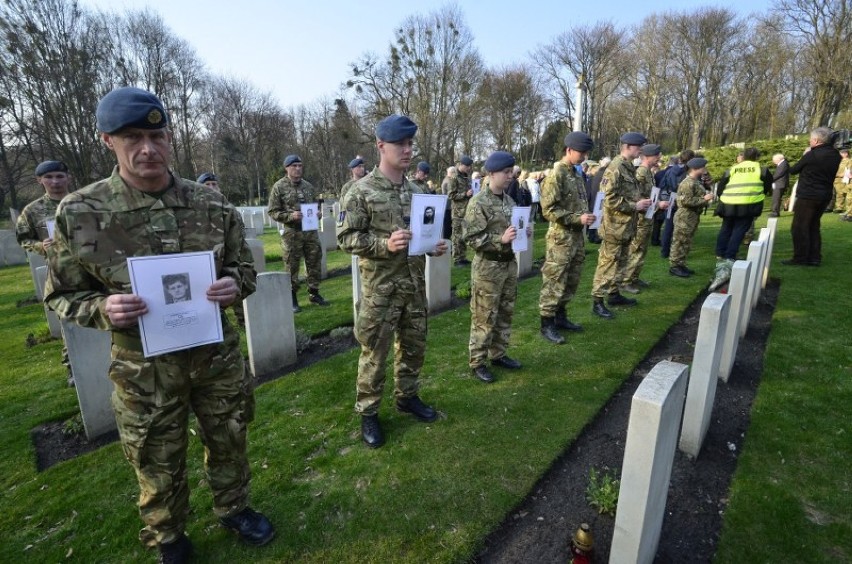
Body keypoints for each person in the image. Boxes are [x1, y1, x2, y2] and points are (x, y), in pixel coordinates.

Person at [43, 86, 273, 563]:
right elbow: (62, 295)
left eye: (157, 135)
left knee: (229, 436)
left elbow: (244, 269)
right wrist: (104, 309)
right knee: (156, 457)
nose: (147, 149)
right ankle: (169, 535)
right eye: (132, 137)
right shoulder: (82, 212)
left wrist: (234, 284)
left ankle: (234, 508)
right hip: (144, 370)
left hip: (215, 358)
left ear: (170, 137)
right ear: (108, 141)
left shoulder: (210, 205)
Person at [337, 114, 448, 448]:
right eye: (401, 143)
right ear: (380, 146)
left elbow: (422, 234)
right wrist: (382, 245)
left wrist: (432, 245)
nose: (407, 149)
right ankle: (369, 413)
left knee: (414, 348)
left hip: (413, 287)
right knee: (374, 354)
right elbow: (346, 238)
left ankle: (407, 396)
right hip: (381, 292)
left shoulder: (417, 191)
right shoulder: (361, 191)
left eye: (411, 143)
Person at [464, 151, 526, 383]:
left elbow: (513, 230)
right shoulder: (478, 202)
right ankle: (477, 361)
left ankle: (498, 353)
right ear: (491, 174)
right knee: (484, 316)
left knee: (505, 312)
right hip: (488, 268)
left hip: (508, 265)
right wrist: (500, 239)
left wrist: (522, 232)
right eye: (506, 172)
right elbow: (471, 238)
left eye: (511, 172)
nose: (510, 176)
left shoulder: (509, 201)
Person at [16, 160, 75, 386]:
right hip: (61, 272)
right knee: (67, 319)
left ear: (68, 178)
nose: (55, 181)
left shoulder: (83, 201)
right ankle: (72, 367)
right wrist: (41, 246)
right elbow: (24, 240)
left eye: (60, 176)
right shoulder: (32, 211)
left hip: (91, 268)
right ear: (39, 180)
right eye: (49, 177)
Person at [539, 132, 596, 342]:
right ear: (569, 150)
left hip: (576, 238)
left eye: (586, 152)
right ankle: (546, 324)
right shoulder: (557, 175)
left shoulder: (576, 174)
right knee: (555, 281)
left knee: (572, 280)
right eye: (582, 152)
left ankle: (561, 317)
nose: (584, 156)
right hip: (560, 238)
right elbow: (548, 210)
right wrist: (577, 219)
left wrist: (586, 217)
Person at [590, 132, 652, 319]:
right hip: (614, 227)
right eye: (638, 146)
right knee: (607, 265)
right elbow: (607, 199)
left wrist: (640, 201)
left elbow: (628, 193)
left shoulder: (628, 167)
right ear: (627, 147)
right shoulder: (615, 168)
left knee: (622, 262)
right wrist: (635, 205)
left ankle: (614, 294)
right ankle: (597, 301)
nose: (640, 150)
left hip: (626, 226)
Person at [267, 154, 329, 312]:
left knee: (314, 262)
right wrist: (290, 216)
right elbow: (273, 211)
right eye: (294, 166)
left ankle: (314, 293)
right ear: (286, 168)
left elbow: (315, 205)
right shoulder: (279, 187)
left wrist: (318, 214)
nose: (298, 169)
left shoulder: (308, 186)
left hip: (310, 232)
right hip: (292, 233)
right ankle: (292, 299)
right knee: (292, 266)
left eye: (300, 166)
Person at [781, 127, 842, 265]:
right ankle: (814, 258)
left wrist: (800, 157)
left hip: (808, 195)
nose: (809, 141)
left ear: (816, 140)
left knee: (799, 226)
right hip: (825, 195)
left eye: (810, 139)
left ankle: (800, 258)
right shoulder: (836, 155)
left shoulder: (811, 155)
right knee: (813, 226)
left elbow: (794, 170)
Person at [621, 144, 668, 294]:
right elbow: (635, 196)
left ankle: (634, 277)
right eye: (657, 156)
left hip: (647, 217)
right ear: (648, 156)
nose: (659, 159)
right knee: (636, 249)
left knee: (642, 250)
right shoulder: (641, 173)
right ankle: (626, 281)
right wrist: (657, 204)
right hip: (640, 219)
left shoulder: (648, 172)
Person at [669, 157, 715, 277]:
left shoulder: (696, 181)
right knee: (679, 241)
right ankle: (674, 266)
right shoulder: (687, 183)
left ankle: (681, 263)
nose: (705, 169)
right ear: (695, 169)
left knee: (686, 241)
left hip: (692, 216)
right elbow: (686, 201)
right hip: (685, 216)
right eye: (702, 167)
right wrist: (704, 199)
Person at [659, 149, 695, 258]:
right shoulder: (689, 173)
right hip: (682, 200)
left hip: (670, 198)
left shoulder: (670, 171)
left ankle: (665, 251)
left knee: (668, 226)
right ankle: (677, 252)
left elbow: (662, 185)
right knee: (682, 227)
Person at [449, 156, 474, 265]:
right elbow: (451, 195)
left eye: (469, 166)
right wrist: (465, 194)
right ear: (461, 165)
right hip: (457, 212)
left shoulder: (466, 177)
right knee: (457, 236)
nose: (469, 168)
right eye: (467, 166)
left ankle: (463, 257)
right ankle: (457, 259)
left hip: (466, 211)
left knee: (464, 235)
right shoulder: (454, 177)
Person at [833, 147, 851, 212]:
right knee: (838, 194)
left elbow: (848, 170)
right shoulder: (839, 160)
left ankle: (841, 207)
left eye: (841, 153)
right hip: (836, 179)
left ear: (846, 154)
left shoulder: (849, 161)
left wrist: (841, 175)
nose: (839, 154)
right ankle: (839, 207)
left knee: (842, 194)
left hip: (843, 179)